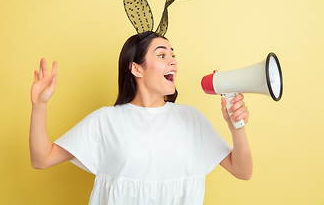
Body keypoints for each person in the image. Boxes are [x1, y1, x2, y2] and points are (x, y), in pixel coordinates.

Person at [29, 32, 252, 205]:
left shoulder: (191, 118)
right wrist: (39, 105)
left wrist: (236, 128)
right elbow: (42, 159)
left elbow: (243, 171)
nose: (173, 61)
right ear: (136, 68)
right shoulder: (106, 121)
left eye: (173, 55)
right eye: (162, 55)